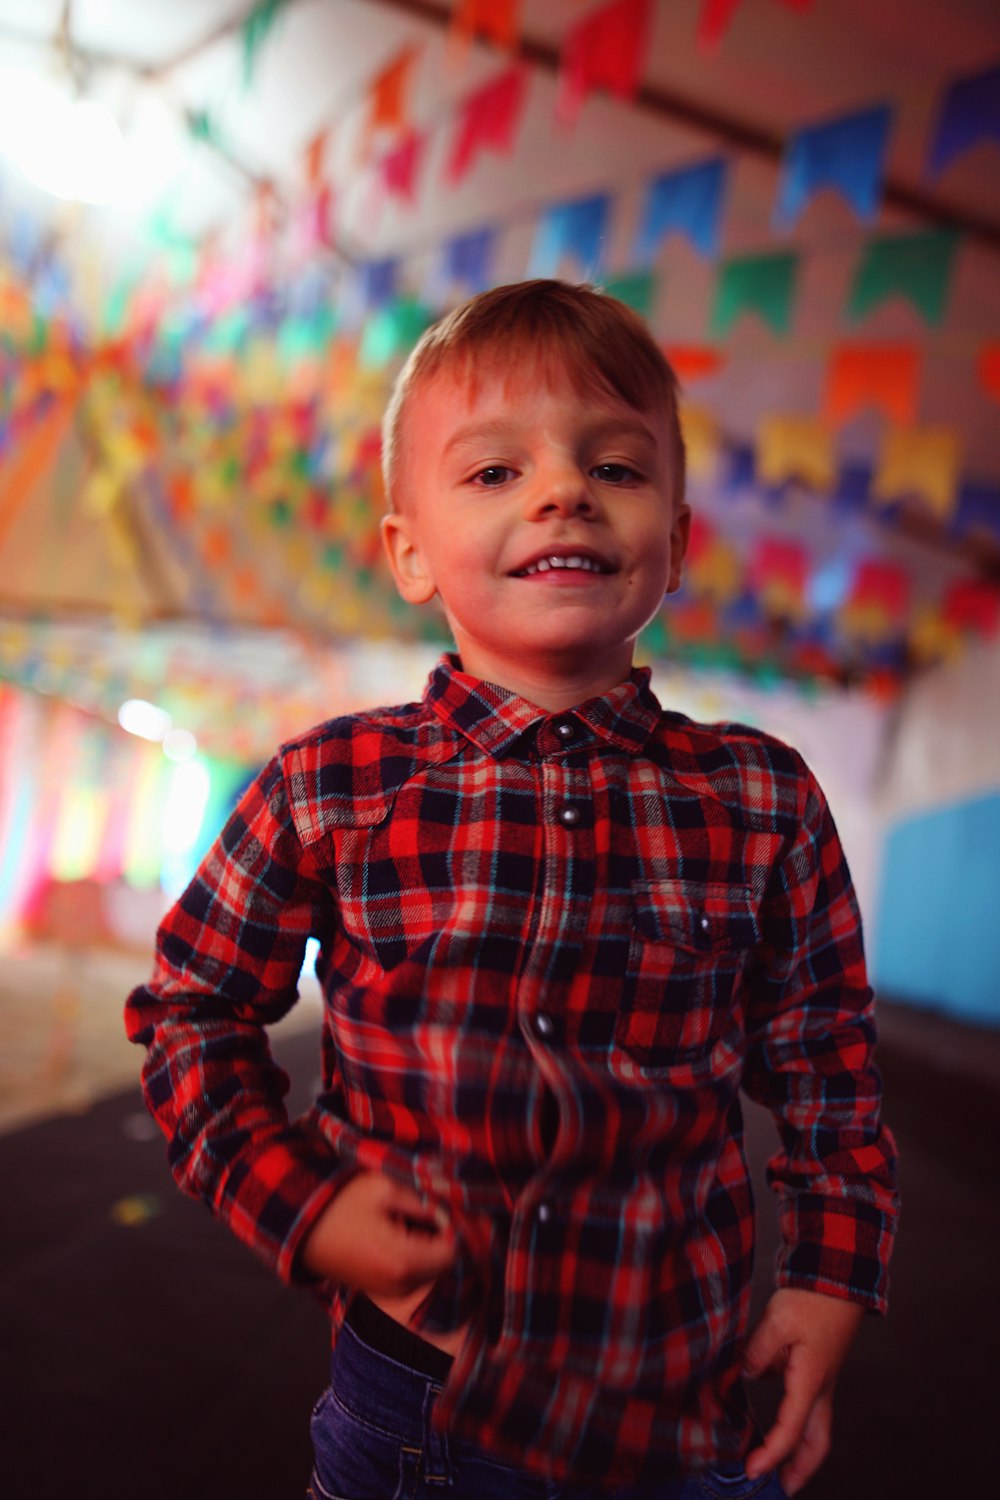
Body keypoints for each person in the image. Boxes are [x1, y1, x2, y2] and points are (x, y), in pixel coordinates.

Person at [126, 279, 898, 1499]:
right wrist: (300, 1206)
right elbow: (190, 1011)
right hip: (416, 1412)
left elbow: (826, 1065)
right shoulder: (328, 785)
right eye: (493, 473)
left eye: (616, 468)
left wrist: (828, 1280)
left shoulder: (762, 798)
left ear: (677, 543)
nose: (562, 492)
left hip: (689, 1420)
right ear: (410, 551)